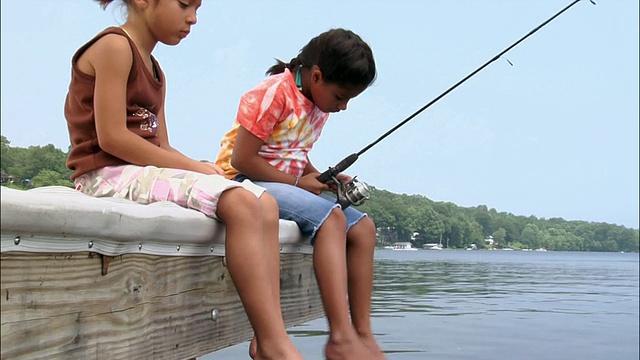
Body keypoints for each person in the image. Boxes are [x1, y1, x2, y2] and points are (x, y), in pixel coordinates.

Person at [64, 1, 302, 359]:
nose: (192, 18)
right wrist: (192, 166)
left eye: (197, 8)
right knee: (238, 201)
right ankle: (275, 344)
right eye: (184, 5)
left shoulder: (156, 71)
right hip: (104, 174)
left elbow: (160, 145)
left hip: (138, 171)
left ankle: (267, 336)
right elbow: (112, 137)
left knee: (263, 202)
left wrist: (196, 165)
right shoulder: (114, 46)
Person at [215, 28, 385, 360]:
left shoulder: (314, 100)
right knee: (331, 217)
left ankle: (363, 334)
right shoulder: (272, 94)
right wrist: (297, 185)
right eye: (340, 97)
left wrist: (319, 176)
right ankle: (340, 337)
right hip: (245, 182)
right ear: (317, 76)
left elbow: (291, 149)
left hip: (284, 183)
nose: (343, 107)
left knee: (364, 228)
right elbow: (242, 159)